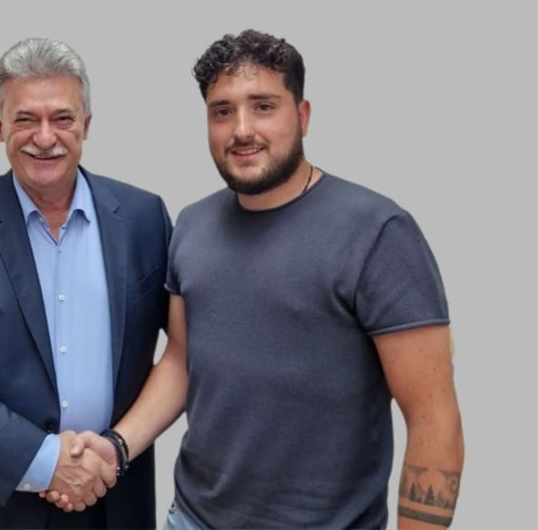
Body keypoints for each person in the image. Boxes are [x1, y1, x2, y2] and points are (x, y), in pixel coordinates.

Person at [50, 30, 464, 529]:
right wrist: (117, 446)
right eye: (222, 111)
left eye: (263, 107)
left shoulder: (378, 233)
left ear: (303, 115)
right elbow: (181, 361)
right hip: (192, 520)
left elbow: (433, 419)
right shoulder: (192, 226)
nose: (242, 129)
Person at [0, 37, 170, 529]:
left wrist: (117, 449)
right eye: (26, 119)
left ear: (86, 125)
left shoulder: (144, 218)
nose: (45, 137)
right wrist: (44, 461)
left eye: (62, 118)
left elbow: (185, 352)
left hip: (112, 503)